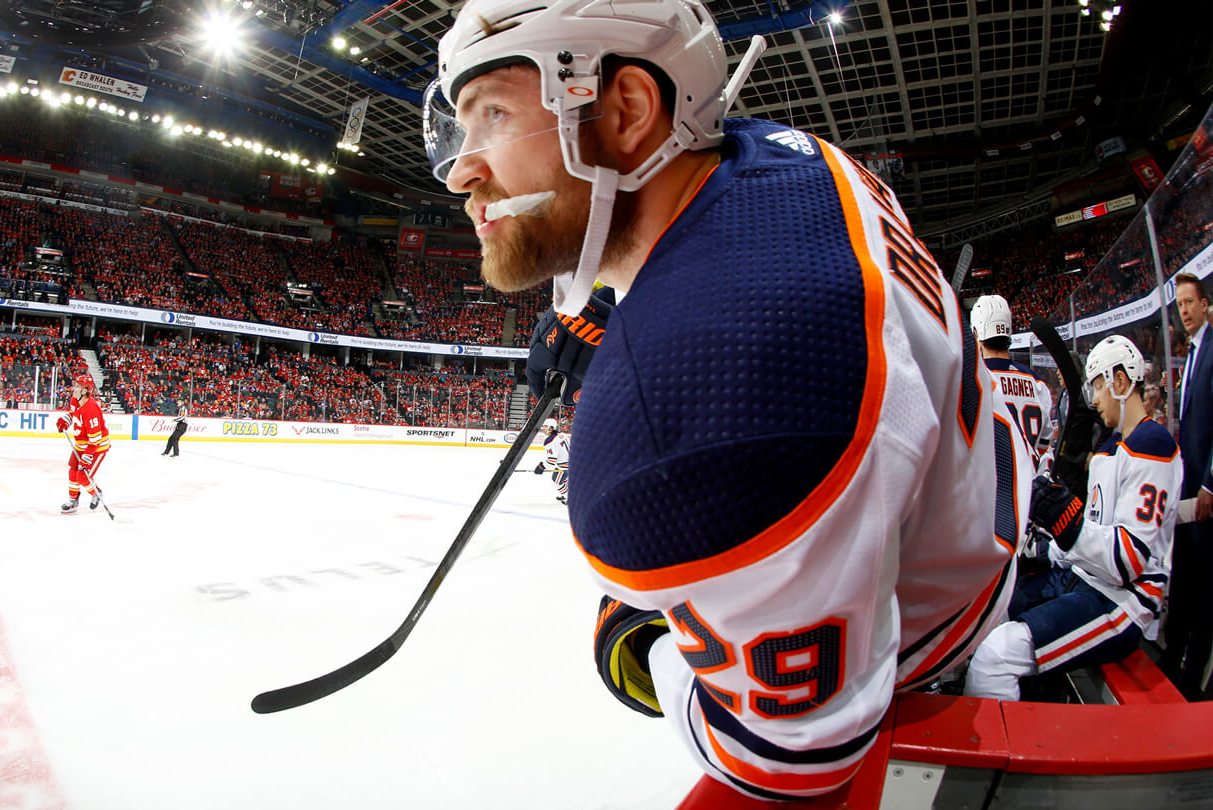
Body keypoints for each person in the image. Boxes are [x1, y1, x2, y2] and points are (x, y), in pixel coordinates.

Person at [428, 0, 1031, 798]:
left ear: (628, 110)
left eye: (494, 116)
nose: (460, 169)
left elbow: (792, 758)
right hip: (974, 513)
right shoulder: (790, 154)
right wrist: (621, 297)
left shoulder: (686, 432)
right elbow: (720, 237)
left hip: (930, 649)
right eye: (457, 129)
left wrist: (640, 645)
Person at [966, 335, 1181, 700]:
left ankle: (1016, 752)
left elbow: (1126, 560)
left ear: (1121, 381)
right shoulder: (1113, 448)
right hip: (1087, 579)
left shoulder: (1152, 445)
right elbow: (1092, 537)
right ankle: (1038, 696)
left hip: (1124, 600)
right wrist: (1047, 550)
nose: (1094, 399)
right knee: (994, 610)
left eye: (1098, 385)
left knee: (995, 658)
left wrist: (1066, 520)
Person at [1163, 272, 1213, 699]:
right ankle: (1174, 661)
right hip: (1190, 489)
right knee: (1185, 580)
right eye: (1178, 305)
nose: (1183, 311)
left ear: (1205, 305)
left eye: (1188, 303)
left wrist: (1211, 485)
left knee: (1204, 591)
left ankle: (1194, 676)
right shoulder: (1192, 352)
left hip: (1207, 495)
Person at [971, 294, 1053, 463]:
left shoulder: (973, 380)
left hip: (995, 483)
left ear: (976, 333)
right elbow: (1043, 445)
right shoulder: (1037, 383)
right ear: (1009, 332)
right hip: (1031, 482)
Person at [57, 374, 110, 514]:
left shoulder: (91, 409)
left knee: (82, 476)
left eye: (78, 386)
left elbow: (96, 439)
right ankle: (73, 500)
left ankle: (96, 493)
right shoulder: (75, 400)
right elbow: (73, 414)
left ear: (85, 390)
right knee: (72, 472)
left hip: (97, 446)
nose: (75, 388)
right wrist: (65, 421)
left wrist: (87, 457)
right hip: (81, 444)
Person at [531, 417, 570, 504]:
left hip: (564, 466)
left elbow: (551, 461)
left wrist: (541, 467)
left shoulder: (549, 441)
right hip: (570, 462)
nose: (543, 429)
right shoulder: (561, 434)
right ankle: (565, 494)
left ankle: (569, 497)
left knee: (557, 482)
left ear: (551, 428)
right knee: (562, 480)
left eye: (545, 427)